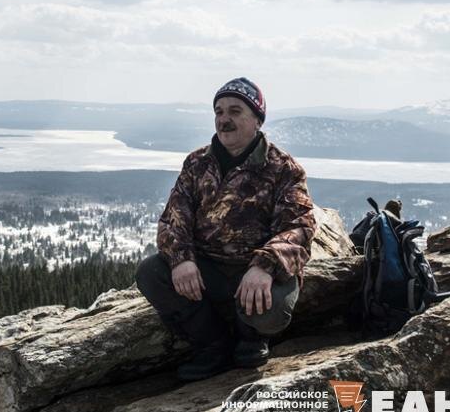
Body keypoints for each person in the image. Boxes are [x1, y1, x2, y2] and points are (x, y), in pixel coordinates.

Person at [135, 77, 316, 382]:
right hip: (210, 269)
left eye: (235, 111)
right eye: (219, 112)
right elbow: (173, 218)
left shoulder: (284, 168)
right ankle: (212, 346)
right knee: (151, 273)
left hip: (256, 270)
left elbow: (299, 226)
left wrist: (264, 266)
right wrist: (182, 260)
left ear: (257, 120)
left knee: (269, 313)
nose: (224, 119)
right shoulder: (197, 163)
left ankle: (251, 337)